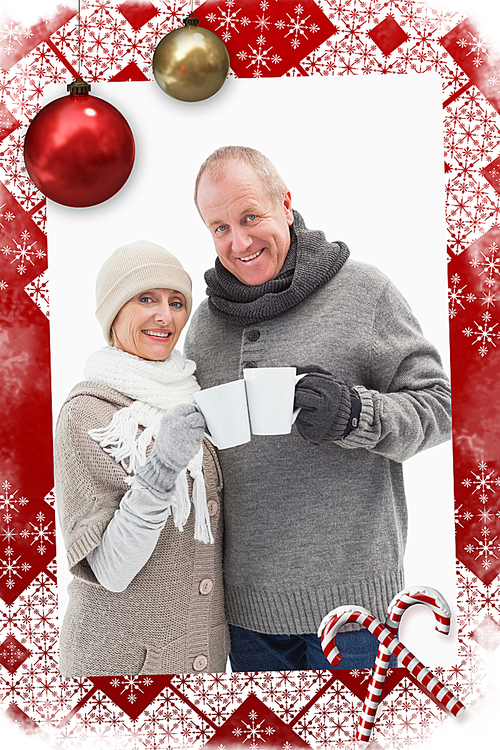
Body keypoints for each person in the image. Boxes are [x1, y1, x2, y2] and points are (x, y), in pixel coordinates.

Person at [184, 146, 452, 672]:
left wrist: (356, 414)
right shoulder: (205, 325)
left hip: (356, 616)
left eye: (250, 217)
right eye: (219, 227)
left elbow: (441, 407)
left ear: (285, 203)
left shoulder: (363, 290)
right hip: (244, 616)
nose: (238, 242)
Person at [54, 240, 229, 676]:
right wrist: (162, 468)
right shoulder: (88, 413)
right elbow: (111, 569)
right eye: (145, 298)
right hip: (121, 667)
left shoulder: (192, 397)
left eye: (176, 302)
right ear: (114, 313)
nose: (164, 316)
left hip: (202, 656)